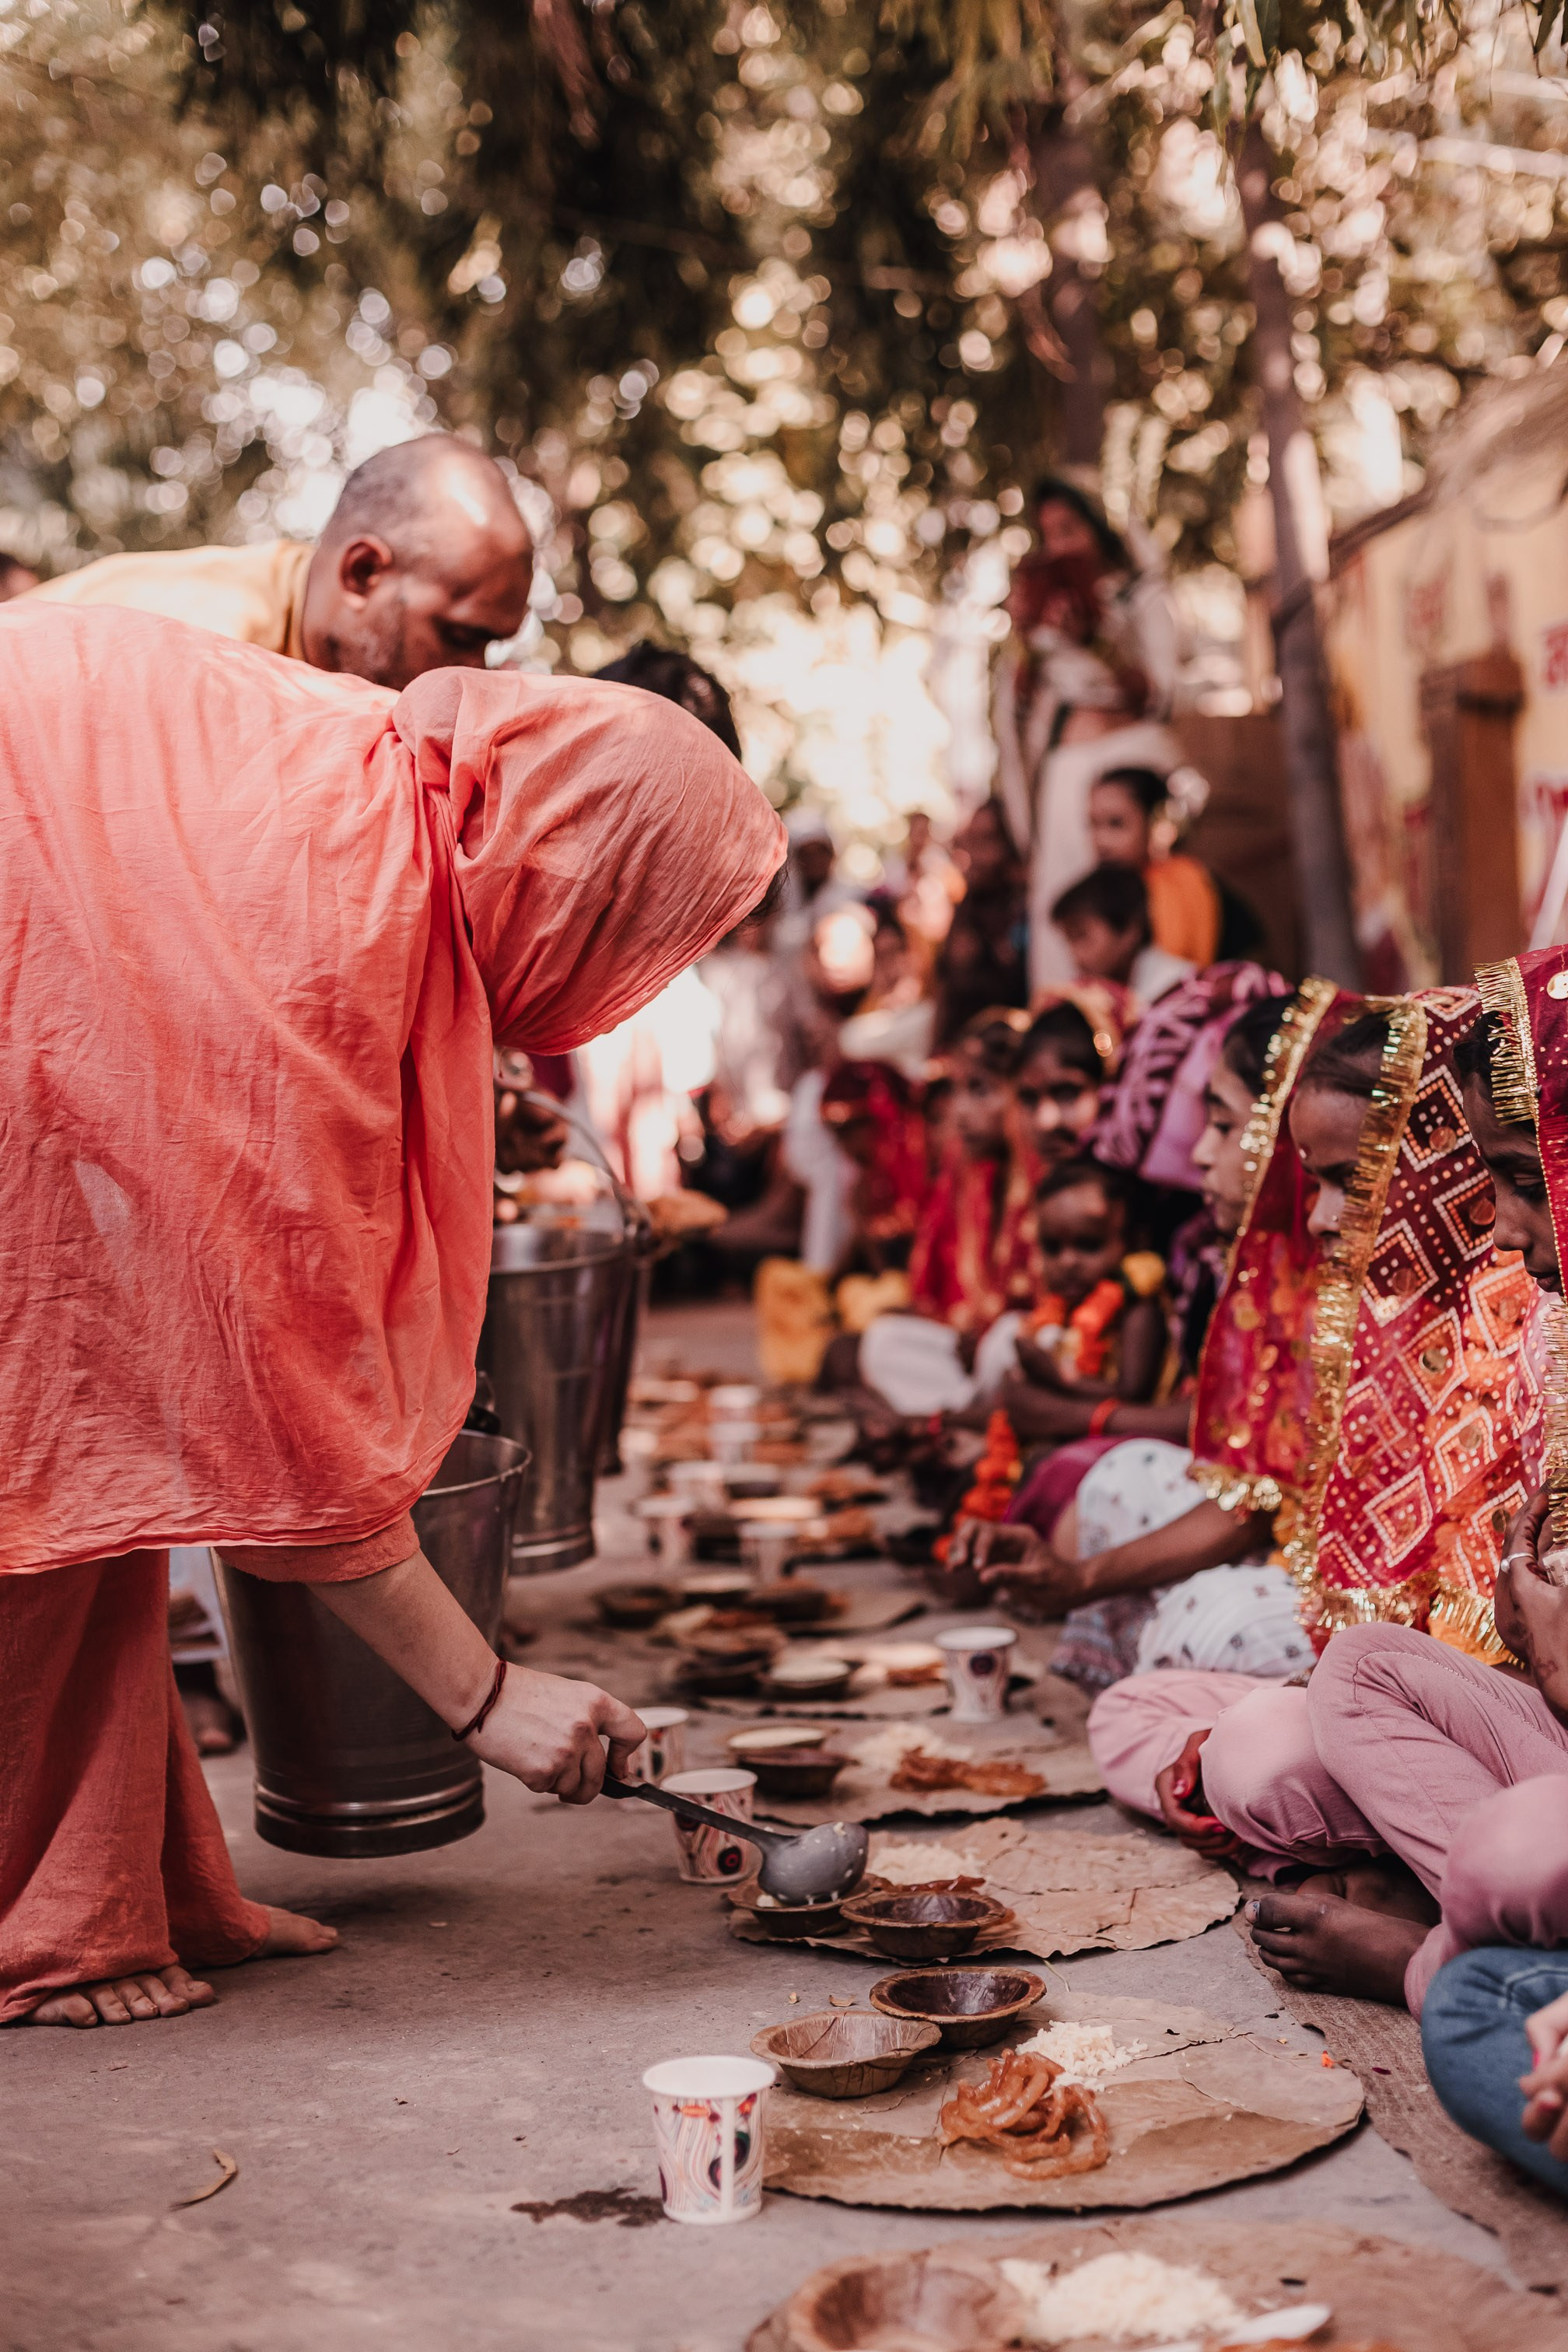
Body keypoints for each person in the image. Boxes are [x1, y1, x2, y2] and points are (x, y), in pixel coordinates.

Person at [0, 600, 785, 2027]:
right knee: (40, 1437)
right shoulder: (337, 896)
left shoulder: (384, 799)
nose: (626, 977)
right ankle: (41, 1927)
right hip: (28, 891)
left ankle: (122, 1884)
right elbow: (271, 1394)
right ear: (578, 871)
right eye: (639, 924)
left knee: (87, 1431)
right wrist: (486, 1697)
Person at [1130, 980, 1541, 1983]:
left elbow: (1508, 1658)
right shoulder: (1418, 1324)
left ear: (1431, 1166)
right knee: (1155, 1711)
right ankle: (1408, 1890)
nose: (1311, 1216)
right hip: (1458, 1725)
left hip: (1508, 1752)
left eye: (1523, 1179)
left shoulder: (1521, 1331)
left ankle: (1449, 1951)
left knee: (1290, 1719)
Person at [954, 988, 1321, 1697]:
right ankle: (1164, 1695)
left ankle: (1174, 1696)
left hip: (1334, 1588)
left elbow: (1250, 1509)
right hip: (1266, 1539)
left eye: (1222, 1124)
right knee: (1114, 1483)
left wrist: (1081, 1571)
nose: (1198, 1151)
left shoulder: (1319, 1265)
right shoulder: (1261, 1261)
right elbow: (1244, 1488)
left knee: (1203, 1621)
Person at [26, 437, 534, 689]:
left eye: (488, 646)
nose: (475, 676)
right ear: (363, 574)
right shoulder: (195, 653)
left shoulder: (299, 615)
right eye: (461, 639)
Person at [1087, 766, 1264, 969]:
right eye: (1093, 824)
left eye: (1116, 824)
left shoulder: (1188, 887)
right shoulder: (1099, 894)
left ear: (1156, 822)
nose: (1100, 840)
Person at [933, 801, 1029, 1048]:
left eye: (987, 841)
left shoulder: (1023, 909)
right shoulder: (971, 905)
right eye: (970, 841)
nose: (973, 855)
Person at [1050, 865, 1195, 1012]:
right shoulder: (1100, 995)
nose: (1076, 957)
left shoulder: (1182, 992)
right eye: (1069, 941)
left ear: (1129, 930)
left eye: (1081, 936)